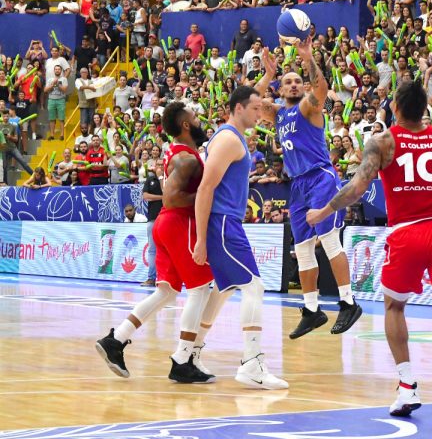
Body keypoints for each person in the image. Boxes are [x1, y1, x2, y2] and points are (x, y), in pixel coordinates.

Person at [305, 81, 432, 432]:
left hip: (406, 233)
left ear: (394, 106)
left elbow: (357, 188)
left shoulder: (382, 142)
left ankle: (407, 386)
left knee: (394, 307)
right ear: (425, 109)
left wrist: (324, 211)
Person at [96, 102, 217, 384]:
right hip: (178, 223)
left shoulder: (178, 152)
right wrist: (209, 194)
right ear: (185, 125)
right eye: (195, 118)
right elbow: (172, 198)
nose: (199, 121)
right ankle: (183, 360)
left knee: (166, 292)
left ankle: (116, 339)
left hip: (164, 224)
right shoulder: (186, 159)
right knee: (199, 289)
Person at [256, 38, 362, 340]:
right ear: (280, 89)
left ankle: (348, 302)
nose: (292, 85)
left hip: (320, 178)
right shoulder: (278, 114)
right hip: (298, 184)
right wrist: (267, 74)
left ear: (302, 87)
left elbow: (322, 88)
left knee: (328, 240)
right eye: (287, 82)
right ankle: (311, 309)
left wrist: (307, 57)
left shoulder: (308, 108)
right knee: (302, 248)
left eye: (297, 82)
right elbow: (248, 102)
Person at [192, 86, 288, 390]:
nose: (260, 113)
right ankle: (251, 363)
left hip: (225, 222)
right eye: (255, 109)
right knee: (254, 286)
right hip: (221, 223)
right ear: (238, 109)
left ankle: (190, 352)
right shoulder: (230, 140)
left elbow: (246, 95)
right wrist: (201, 239)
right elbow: (205, 188)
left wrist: (267, 77)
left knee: (222, 291)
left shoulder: (230, 135)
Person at [142, 163, 163, 287]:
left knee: (167, 249)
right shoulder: (150, 179)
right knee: (152, 250)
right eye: (158, 165)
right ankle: (151, 278)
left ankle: (167, 279)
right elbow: (145, 196)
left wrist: (161, 177)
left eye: (162, 164)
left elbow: (167, 192)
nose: (159, 167)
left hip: (167, 219)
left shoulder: (169, 178)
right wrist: (162, 197)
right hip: (152, 218)